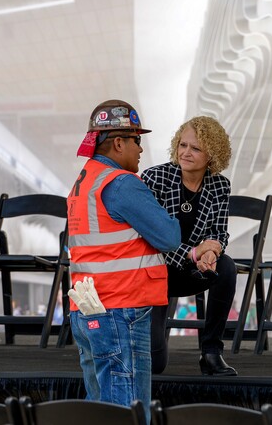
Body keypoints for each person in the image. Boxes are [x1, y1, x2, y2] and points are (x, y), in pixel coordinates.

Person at [67, 100, 181, 411]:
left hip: (88, 309)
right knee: (127, 411)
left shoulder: (85, 182)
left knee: (100, 411)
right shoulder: (122, 184)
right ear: (118, 143)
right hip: (121, 310)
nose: (141, 150)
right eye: (137, 140)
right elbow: (169, 237)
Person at [142, 115, 238, 376]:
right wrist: (194, 252)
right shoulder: (155, 178)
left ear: (212, 155)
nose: (185, 152)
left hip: (192, 270)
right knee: (154, 365)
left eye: (195, 148)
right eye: (182, 145)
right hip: (155, 272)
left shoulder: (220, 186)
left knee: (227, 267)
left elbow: (219, 232)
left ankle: (211, 353)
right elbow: (151, 237)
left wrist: (212, 251)